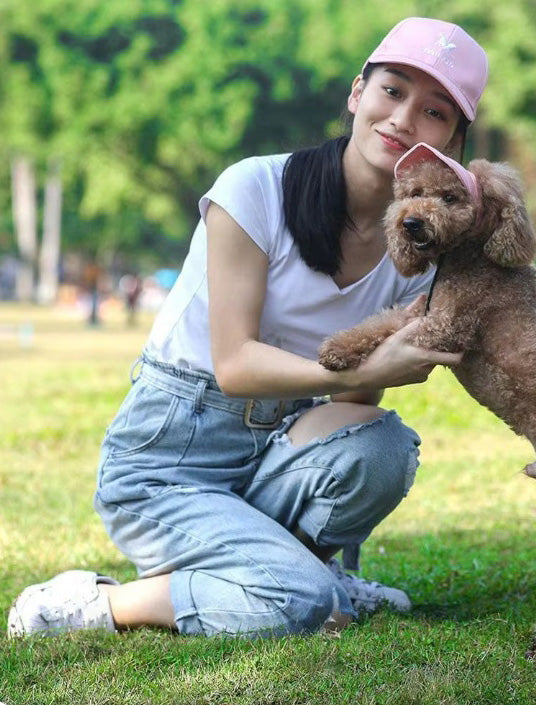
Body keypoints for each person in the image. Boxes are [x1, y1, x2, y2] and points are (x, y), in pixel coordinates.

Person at [7, 17, 489, 639]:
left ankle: (299, 572)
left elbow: (352, 407)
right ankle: (94, 604)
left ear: (452, 141)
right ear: (356, 93)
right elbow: (234, 365)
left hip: (273, 449)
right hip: (168, 460)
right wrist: (369, 366)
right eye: (392, 91)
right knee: (301, 603)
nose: (402, 119)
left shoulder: (419, 248)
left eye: (434, 112)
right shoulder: (254, 189)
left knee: (385, 447)